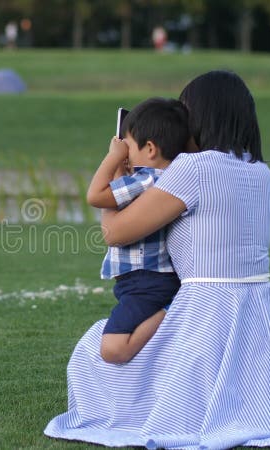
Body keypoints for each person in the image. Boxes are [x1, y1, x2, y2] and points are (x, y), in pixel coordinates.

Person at [45, 70, 270, 448]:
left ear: (201, 117)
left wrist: (120, 178)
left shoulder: (194, 169)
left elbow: (115, 233)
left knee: (96, 352)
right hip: (262, 308)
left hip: (205, 308)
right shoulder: (260, 171)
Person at [86, 98, 189, 364]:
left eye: (128, 146)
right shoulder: (159, 179)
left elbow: (95, 196)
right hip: (146, 280)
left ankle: (172, 311)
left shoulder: (148, 178)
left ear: (150, 148)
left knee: (113, 348)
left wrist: (112, 157)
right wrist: (122, 170)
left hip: (146, 282)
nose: (125, 152)